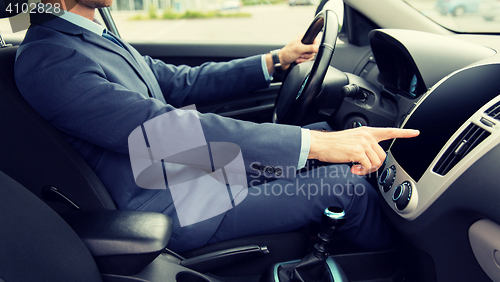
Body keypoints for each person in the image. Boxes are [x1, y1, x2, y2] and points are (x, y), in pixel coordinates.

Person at [14, 0, 419, 253]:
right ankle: (404, 279)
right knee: (344, 186)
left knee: (319, 135)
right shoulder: (50, 59)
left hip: (189, 175)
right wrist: (314, 145)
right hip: (173, 202)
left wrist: (277, 60)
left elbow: (179, 82)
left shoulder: (90, 38)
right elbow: (160, 129)